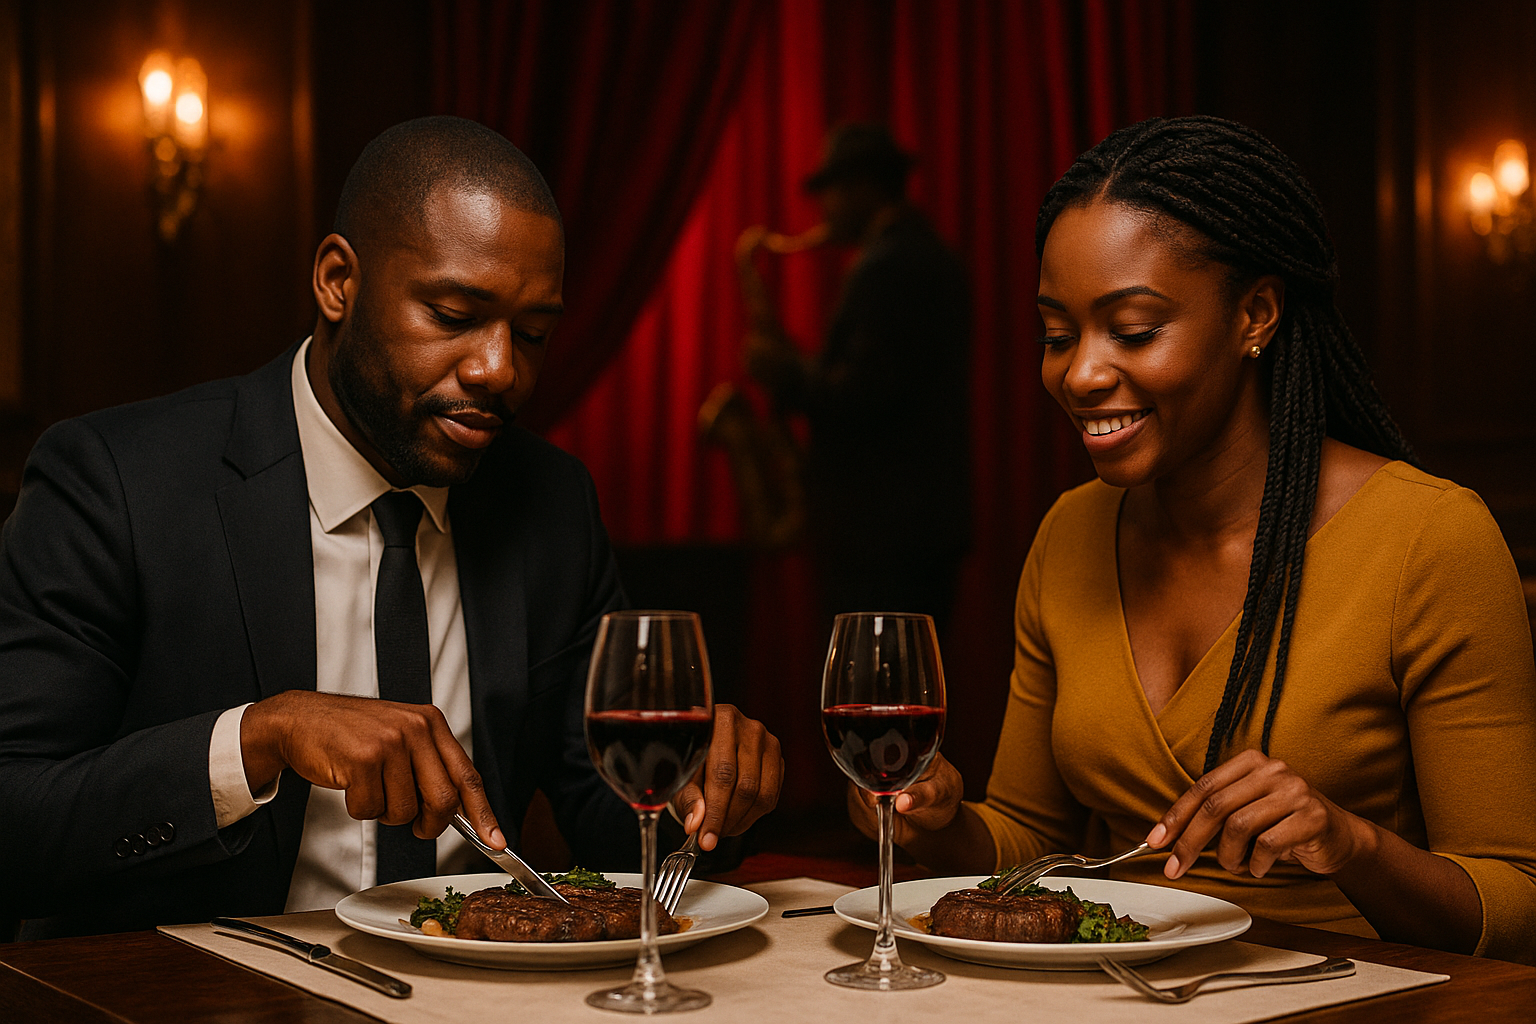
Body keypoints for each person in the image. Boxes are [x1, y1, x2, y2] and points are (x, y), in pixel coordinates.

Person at [0, 116, 782, 938]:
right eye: (453, 314)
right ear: (339, 280)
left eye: (533, 333)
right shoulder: (120, 482)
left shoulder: (549, 502)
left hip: (482, 989)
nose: (498, 369)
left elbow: (605, 812)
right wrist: (259, 738)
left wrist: (708, 790)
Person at [848, 115, 1536, 963]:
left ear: (1256, 313)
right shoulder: (1070, 533)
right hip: (1109, 1000)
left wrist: (1349, 842)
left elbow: (1519, 905)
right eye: (1056, 336)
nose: (1082, 373)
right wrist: (945, 823)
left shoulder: (1427, 537)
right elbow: (1030, 840)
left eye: (1132, 330)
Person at [742, 123, 971, 631]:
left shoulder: (888, 266)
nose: (824, 212)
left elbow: (863, 395)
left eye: (832, 193)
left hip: (879, 531)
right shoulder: (929, 254)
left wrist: (784, 373)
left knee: (870, 688)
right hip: (915, 525)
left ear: (863, 187)